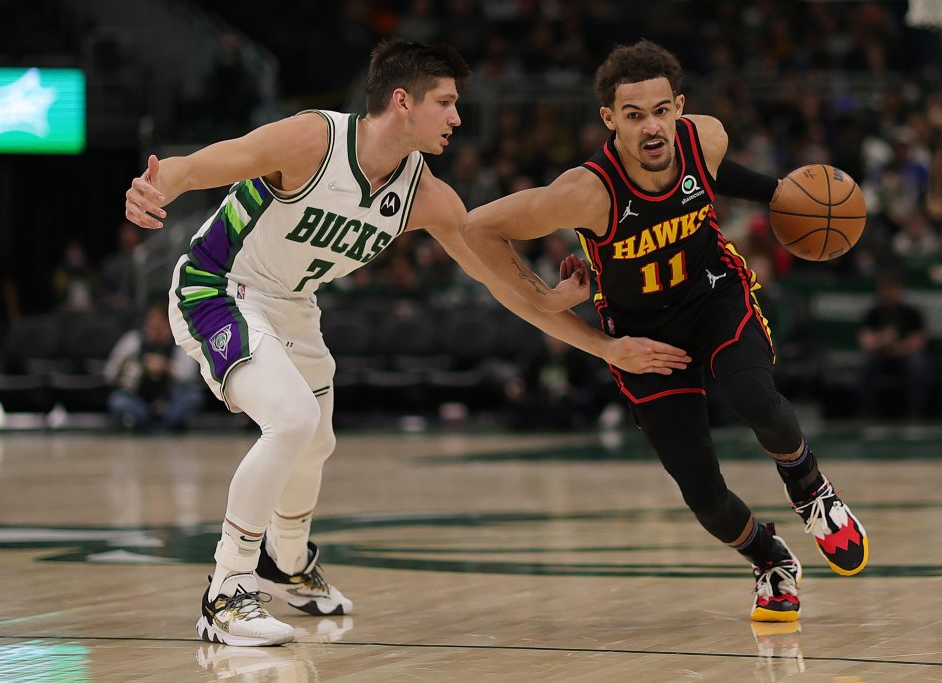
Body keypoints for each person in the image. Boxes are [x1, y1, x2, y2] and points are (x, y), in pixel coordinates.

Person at [124, 39, 688, 647]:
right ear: (403, 101)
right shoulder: (316, 139)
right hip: (218, 286)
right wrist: (160, 184)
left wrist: (564, 313)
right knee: (290, 420)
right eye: (445, 103)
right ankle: (226, 592)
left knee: (315, 442)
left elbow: (498, 279)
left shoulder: (427, 197)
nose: (457, 117)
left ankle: (285, 566)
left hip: (292, 306)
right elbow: (213, 162)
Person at [462, 39, 868, 623]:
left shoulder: (706, 137)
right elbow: (477, 229)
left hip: (712, 293)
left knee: (755, 396)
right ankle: (769, 559)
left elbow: (713, 174)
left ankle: (811, 491)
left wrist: (779, 194)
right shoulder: (585, 192)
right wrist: (547, 299)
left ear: (679, 106)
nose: (651, 127)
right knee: (704, 496)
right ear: (610, 120)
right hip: (642, 335)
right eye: (633, 116)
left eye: (660, 111)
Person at [103, 299, 203, 431]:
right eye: (152, 322)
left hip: (169, 400)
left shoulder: (180, 341)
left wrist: (165, 366)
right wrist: (134, 364)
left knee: (193, 397)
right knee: (118, 400)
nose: (154, 327)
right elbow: (109, 373)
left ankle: (160, 426)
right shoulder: (134, 339)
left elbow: (189, 375)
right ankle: (151, 424)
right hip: (139, 398)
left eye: (159, 324)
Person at [857, 272, 931, 418]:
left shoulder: (910, 312)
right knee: (865, 364)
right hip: (881, 354)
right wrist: (883, 339)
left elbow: (919, 341)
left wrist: (899, 347)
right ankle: (868, 416)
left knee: (917, 365)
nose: (889, 294)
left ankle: (914, 415)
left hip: (904, 355)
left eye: (892, 290)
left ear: (899, 290)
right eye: (885, 290)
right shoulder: (875, 312)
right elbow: (865, 341)